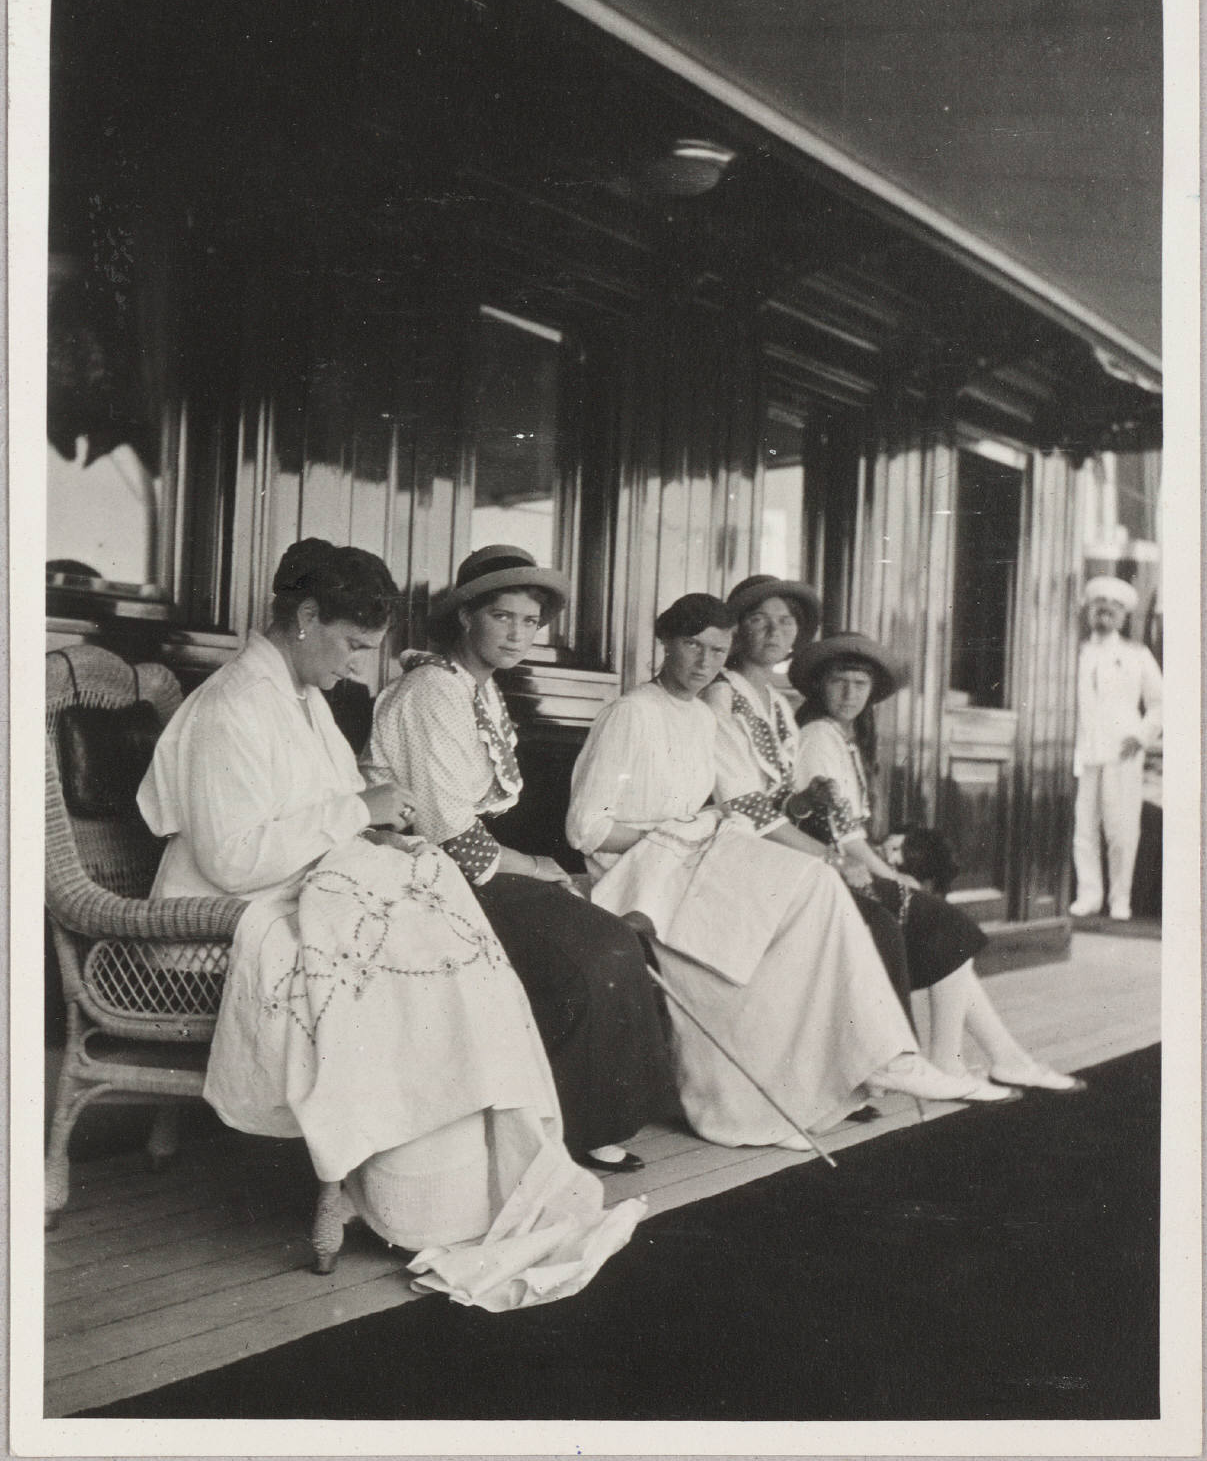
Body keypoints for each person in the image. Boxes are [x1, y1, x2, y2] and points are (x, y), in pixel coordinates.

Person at [137, 537, 644, 1311]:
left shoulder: (300, 697)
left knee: (454, 946)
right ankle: (419, 1202)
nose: (354, 665)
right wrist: (358, 814)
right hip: (224, 915)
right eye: (350, 643)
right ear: (307, 617)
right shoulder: (233, 704)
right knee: (420, 968)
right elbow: (233, 859)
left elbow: (332, 813)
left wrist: (380, 832)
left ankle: (474, 1187)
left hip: (301, 886)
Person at [565, 592, 1006, 1154]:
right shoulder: (631, 712)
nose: (703, 662)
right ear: (666, 644)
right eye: (692, 646)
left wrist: (701, 832)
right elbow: (586, 829)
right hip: (636, 879)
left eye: (716, 651)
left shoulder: (700, 716)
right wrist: (678, 833)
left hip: (685, 863)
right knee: (803, 896)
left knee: (818, 887)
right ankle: (859, 1066)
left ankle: (866, 1064)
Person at [363, 544, 675, 1174]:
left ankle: (586, 1115)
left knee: (615, 934)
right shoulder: (432, 691)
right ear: (465, 617)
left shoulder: (477, 690)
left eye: (529, 622)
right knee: (596, 950)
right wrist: (536, 867)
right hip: (419, 871)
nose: (517, 634)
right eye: (502, 616)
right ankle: (577, 1128)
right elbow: (452, 834)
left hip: (461, 865)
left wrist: (539, 868)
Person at [791, 630, 1086, 1094]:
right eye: (838, 682)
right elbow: (840, 834)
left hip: (850, 868)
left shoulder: (842, 738)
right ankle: (961, 1061)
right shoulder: (816, 738)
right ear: (819, 687)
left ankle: (998, 1058)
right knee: (946, 926)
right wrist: (893, 876)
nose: (849, 694)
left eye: (859, 684)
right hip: (826, 873)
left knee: (945, 929)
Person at [704, 575, 916, 1030]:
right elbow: (744, 807)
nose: (774, 632)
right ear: (737, 630)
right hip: (736, 853)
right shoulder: (723, 695)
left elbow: (779, 804)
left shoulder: (778, 705)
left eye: (786, 622)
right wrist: (832, 858)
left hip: (776, 849)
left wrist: (804, 802)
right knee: (873, 920)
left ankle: (888, 1049)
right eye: (759, 620)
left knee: (878, 916)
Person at [1070, 575, 1163, 921]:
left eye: (1113, 607)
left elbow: (1160, 703)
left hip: (1122, 753)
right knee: (1083, 830)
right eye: (1099, 605)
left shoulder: (1136, 655)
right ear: (1089, 611)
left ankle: (1120, 899)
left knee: (1121, 831)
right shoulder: (1076, 653)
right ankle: (1089, 896)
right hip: (1084, 752)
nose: (1105, 612)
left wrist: (1140, 736)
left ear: (1123, 616)